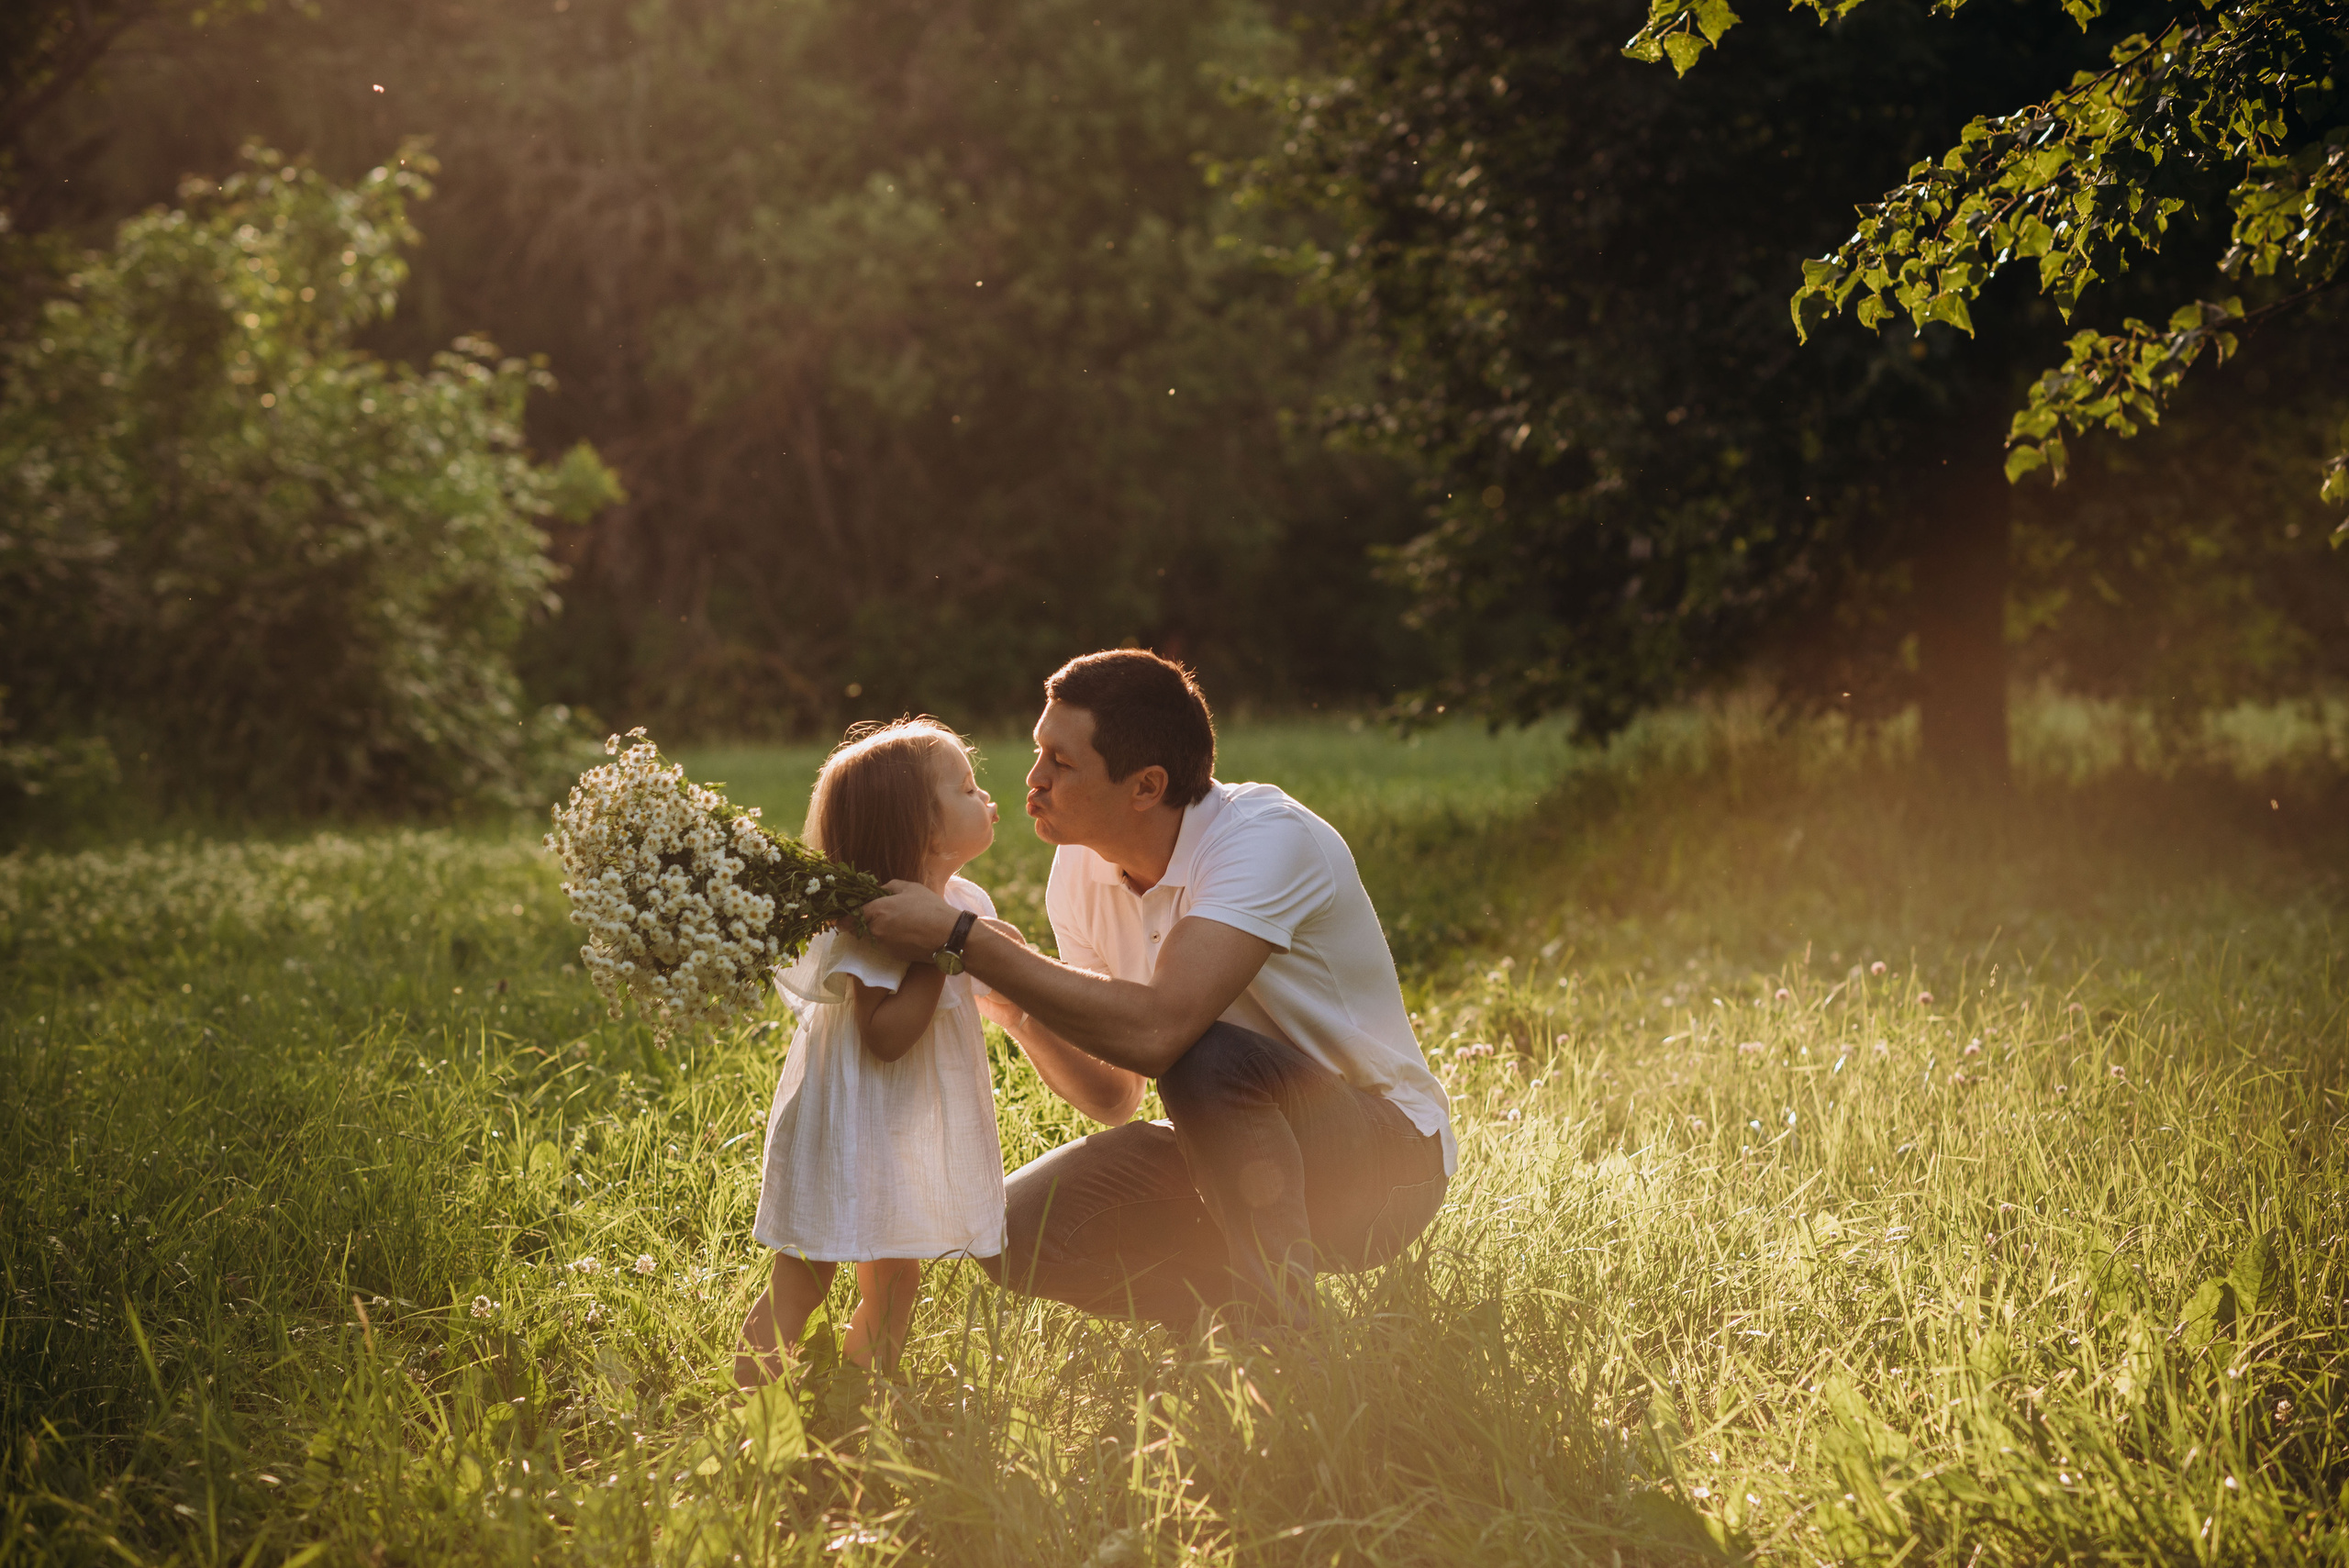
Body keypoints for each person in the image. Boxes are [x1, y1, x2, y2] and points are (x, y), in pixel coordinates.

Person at [861, 651, 1454, 1334]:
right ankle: (1228, 1331)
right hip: (1233, 1148)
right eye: (1038, 751)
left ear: (1146, 786)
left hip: (1386, 1162)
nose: (1034, 778)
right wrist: (1018, 1008)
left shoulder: (1265, 838)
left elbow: (1162, 1033)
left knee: (1202, 1052)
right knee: (1014, 1228)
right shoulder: (1078, 869)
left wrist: (967, 937)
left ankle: (1284, 1345)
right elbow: (1116, 1094)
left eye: (1062, 762)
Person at [735, 717, 1013, 1385]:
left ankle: (865, 1389)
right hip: (851, 1122)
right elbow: (885, 1037)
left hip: (904, 1122)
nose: (987, 797)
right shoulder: (881, 920)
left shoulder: (961, 902)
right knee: (806, 1275)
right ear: (926, 832)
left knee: (897, 1275)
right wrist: (946, 951)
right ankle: (748, 1392)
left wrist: (979, 941)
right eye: (967, 788)